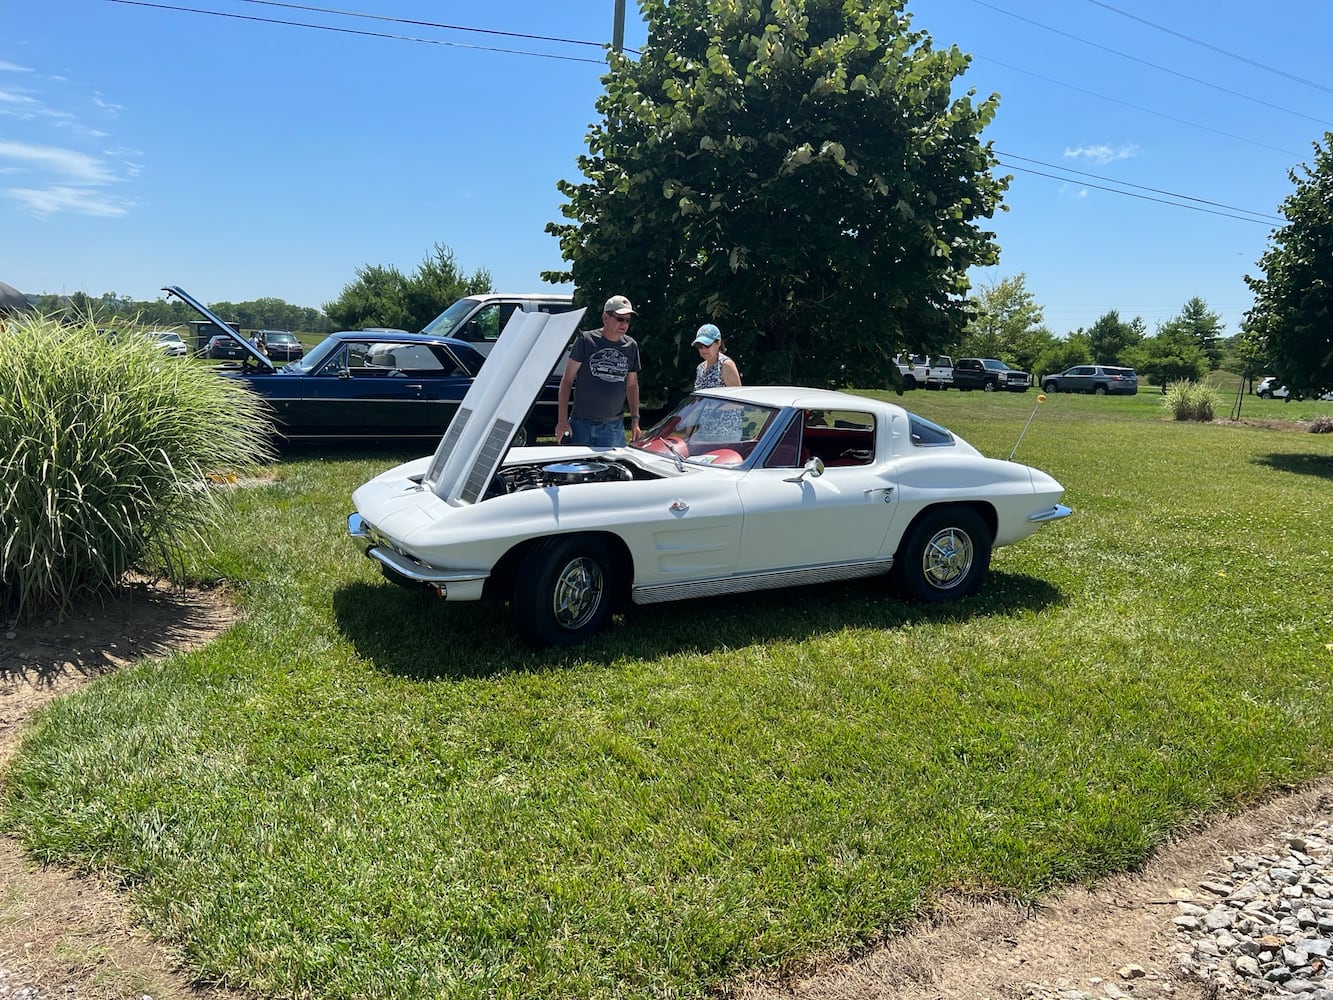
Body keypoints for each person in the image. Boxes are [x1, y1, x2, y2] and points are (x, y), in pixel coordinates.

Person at [554, 295, 642, 447]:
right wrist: (562, 421)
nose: (624, 324)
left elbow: (632, 385)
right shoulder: (586, 340)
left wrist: (635, 420)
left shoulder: (631, 346)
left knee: (613, 471)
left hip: (613, 428)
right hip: (580, 425)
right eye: (620, 319)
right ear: (605, 317)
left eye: (628, 320)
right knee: (576, 469)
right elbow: (567, 380)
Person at [692, 323, 741, 389]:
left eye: (707, 345)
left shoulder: (725, 365)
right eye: (699, 345)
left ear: (718, 343)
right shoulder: (700, 368)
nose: (703, 349)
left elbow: (736, 395)